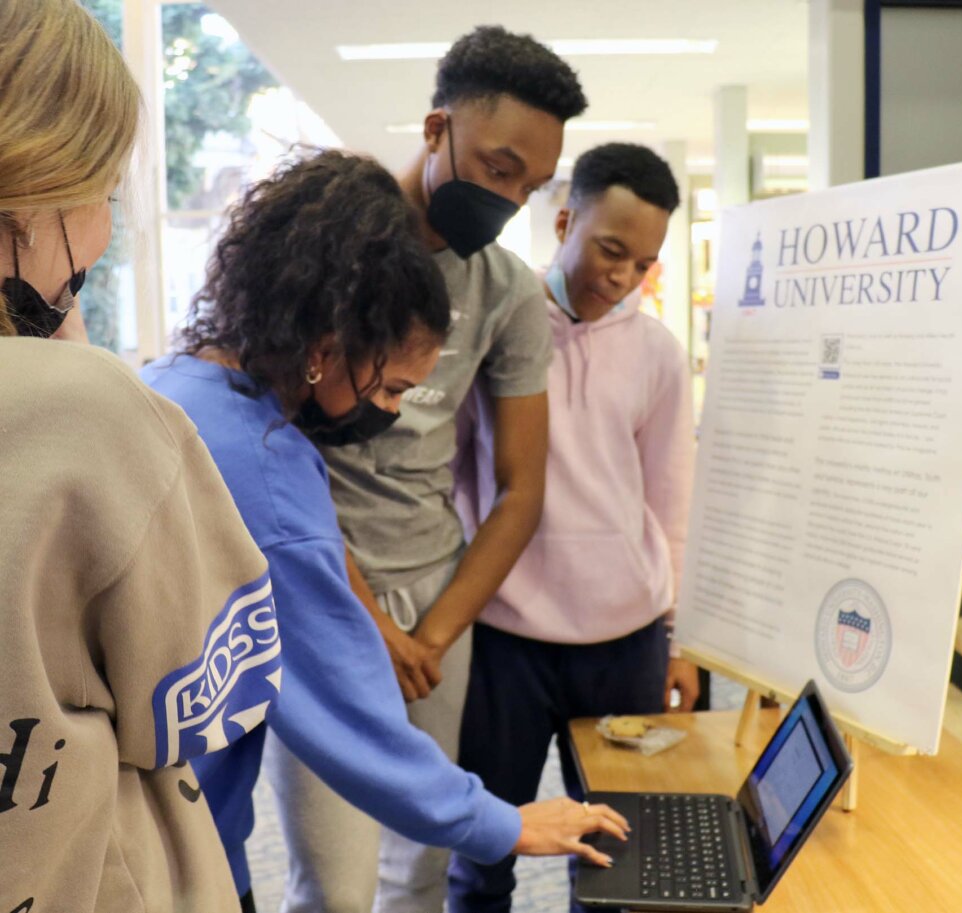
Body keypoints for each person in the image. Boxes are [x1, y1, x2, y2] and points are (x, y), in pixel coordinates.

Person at [140, 149, 628, 913]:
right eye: (394, 386)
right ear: (328, 346)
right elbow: (350, 713)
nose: (395, 412)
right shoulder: (270, 473)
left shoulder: (167, 383)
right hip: (177, 850)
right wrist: (503, 821)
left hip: (144, 810)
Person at [264, 26, 590, 913]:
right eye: (497, 167)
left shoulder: (509, 292)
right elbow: (271, 456)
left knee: (425, 861)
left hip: (436, 609)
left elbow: (524, 488)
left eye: (527, 184)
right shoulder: (322, 250)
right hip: (316, 592)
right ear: (436, 127)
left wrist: (435, 633)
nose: (509, 198)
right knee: (330, 878)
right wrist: (366, 616)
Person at [0, 1, 281, 910]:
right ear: (34, 192)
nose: (106, 230)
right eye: (104, 194)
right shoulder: (91, 411)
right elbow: (205, 696)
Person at [447, 143, 698, 913]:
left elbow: (671, 502)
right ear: (564, 220)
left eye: (643, 263)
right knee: (484, 852)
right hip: (504, 642)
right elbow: (452, 471)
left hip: (624, 646)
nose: (621, 276)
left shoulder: (657, 354)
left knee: (617, 861)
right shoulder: (498, 327)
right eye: (610, 249)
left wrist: (676, 638)